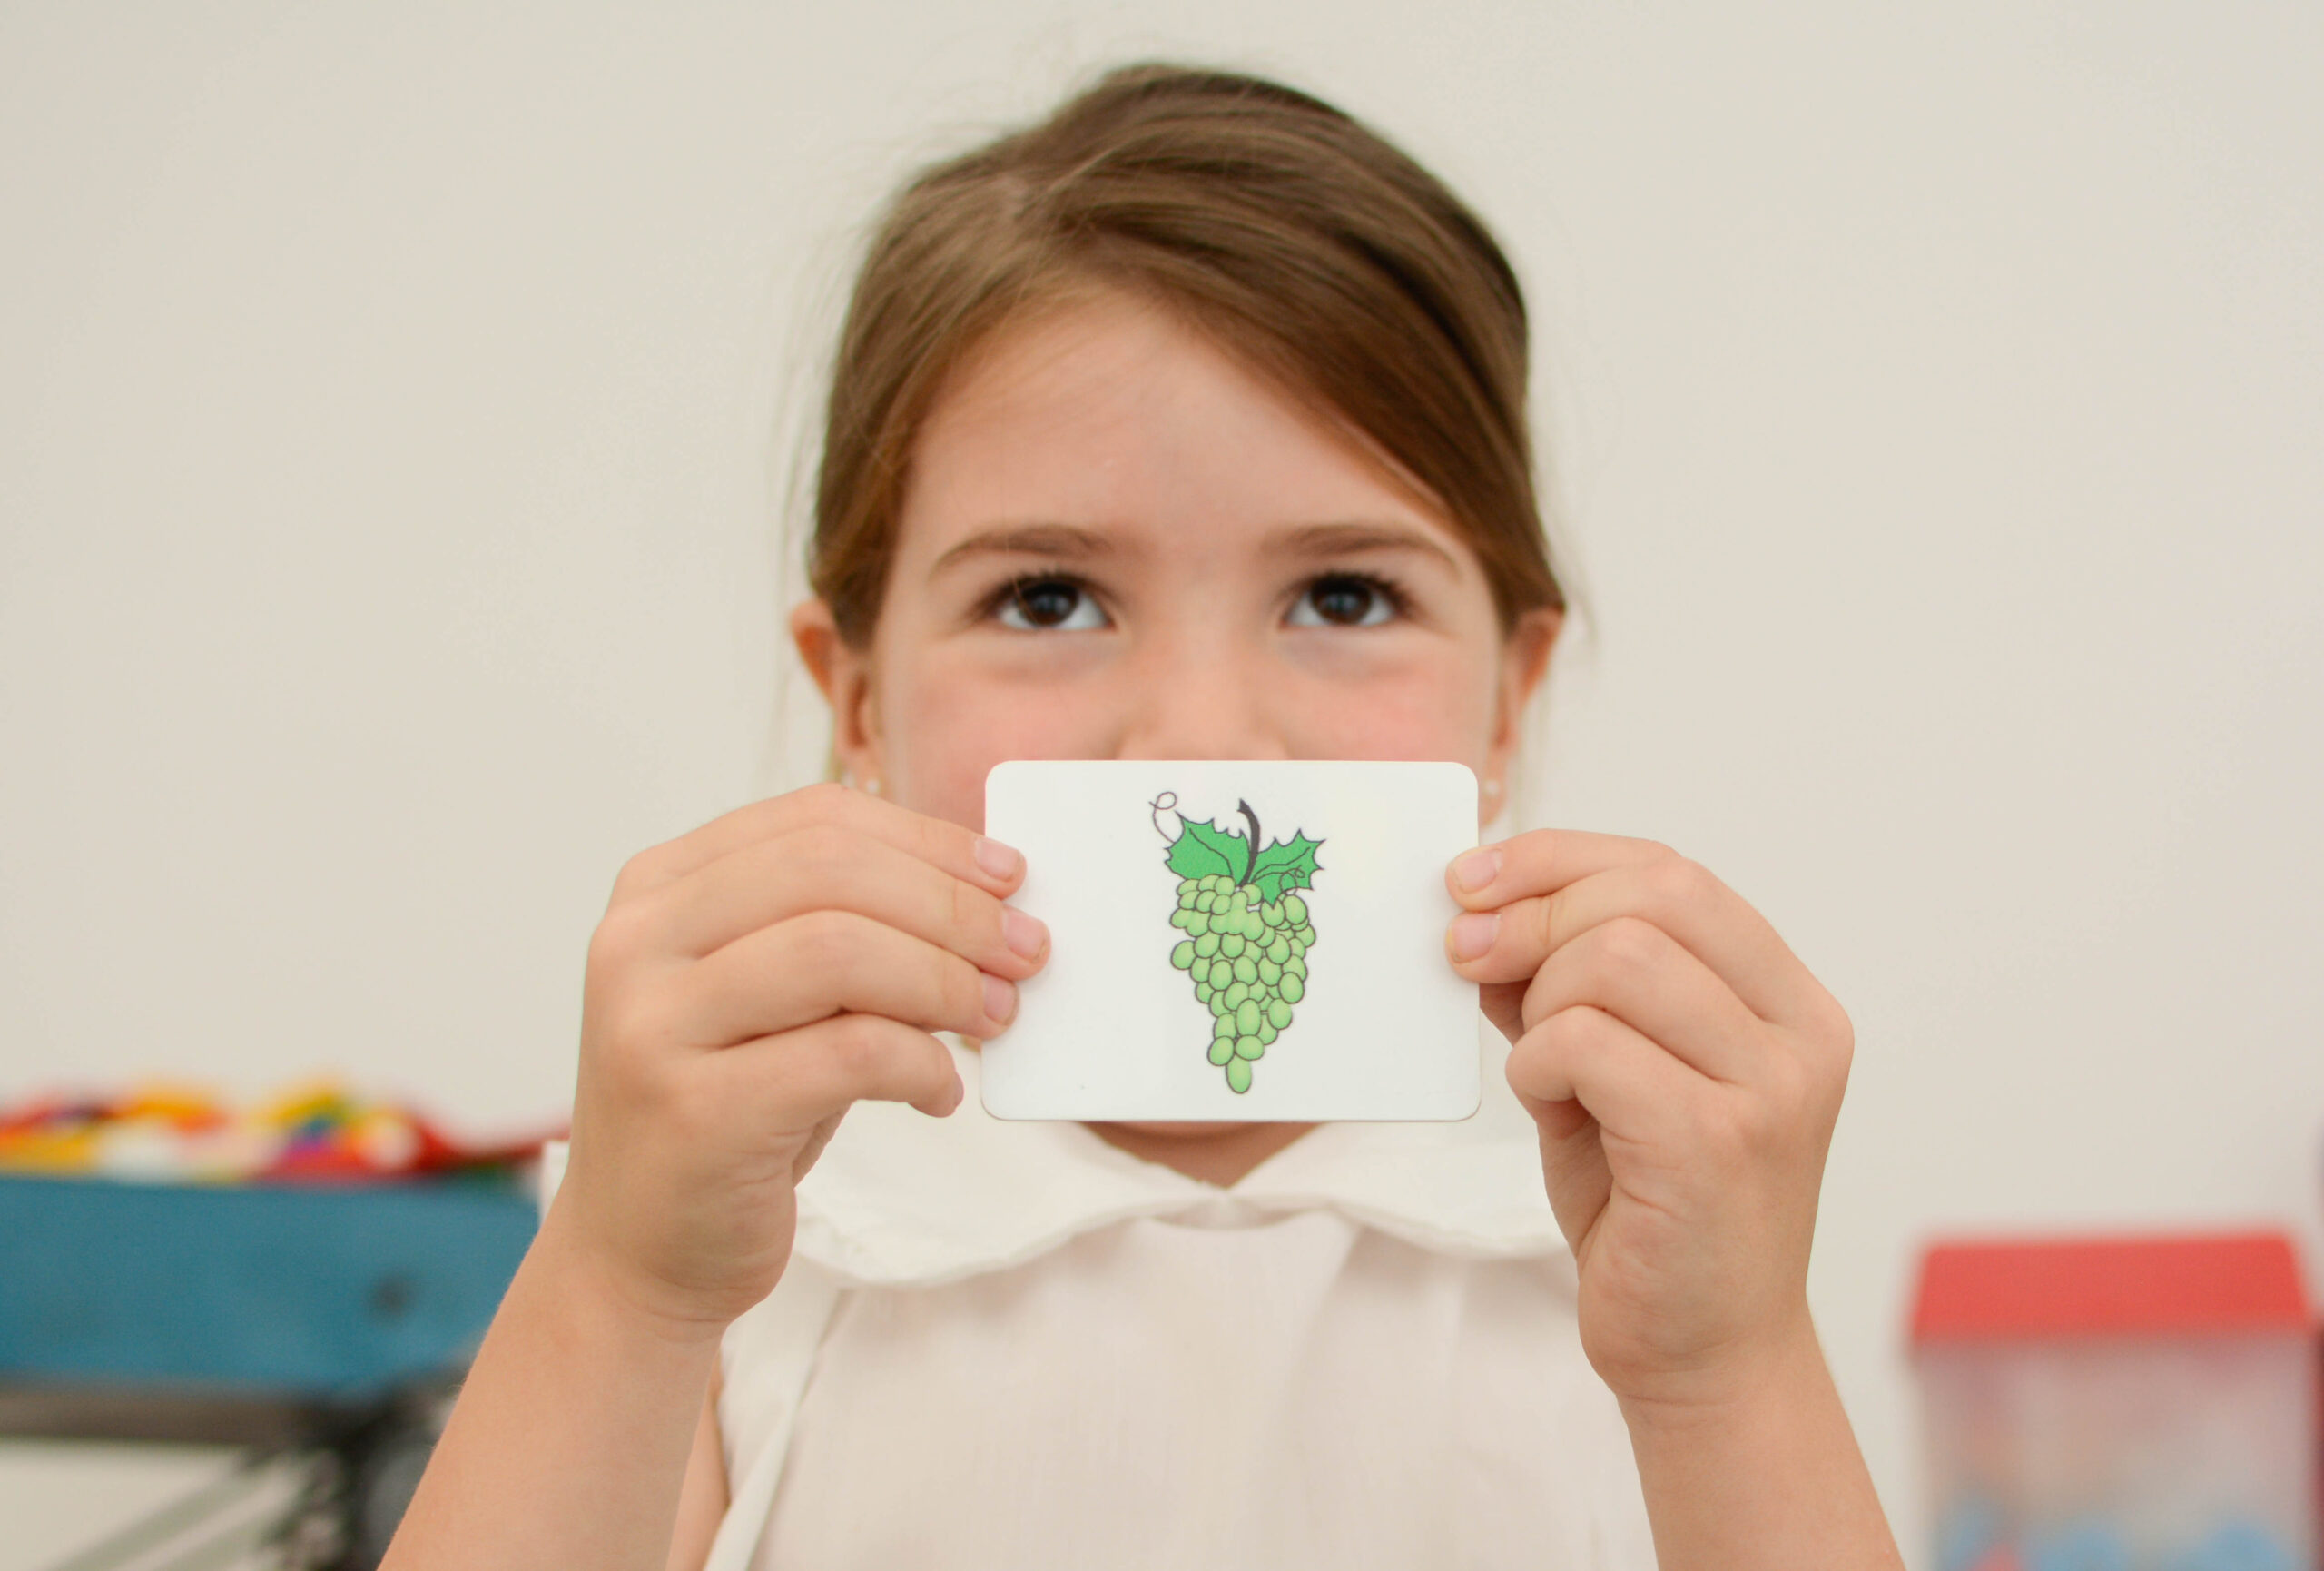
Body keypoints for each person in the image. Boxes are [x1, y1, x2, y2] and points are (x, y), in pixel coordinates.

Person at [380, 62, 1902, 1571]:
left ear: (1510, 699)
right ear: (854, 699)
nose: (1201, 733)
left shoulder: (1626, 1232)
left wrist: (1731, 1369)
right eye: (1047, 596)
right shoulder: (741, 1227)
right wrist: (622, 1285)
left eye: (1343, 594)